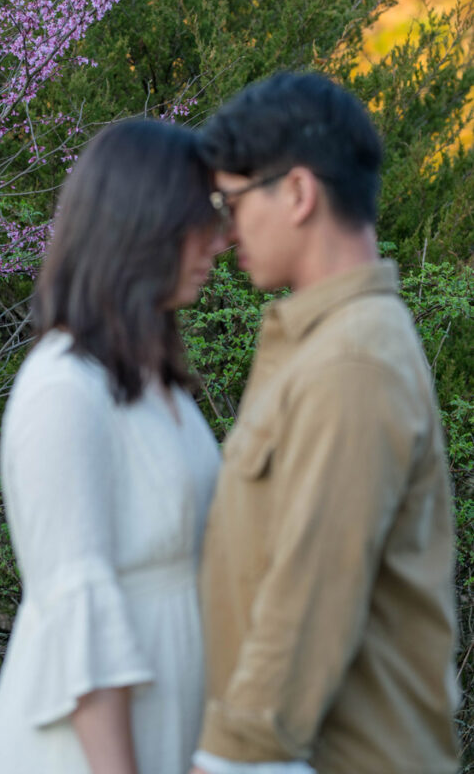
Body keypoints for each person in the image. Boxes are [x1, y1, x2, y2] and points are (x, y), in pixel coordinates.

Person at [190, 71, 460, 774]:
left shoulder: (351, 363)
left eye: (234, 200)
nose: (225, 230)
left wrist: (228, 758)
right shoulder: (326, 345)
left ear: (299, 194)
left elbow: (308, 598)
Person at [0, 118, 226, 774]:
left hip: (171, 731)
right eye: (199, 223)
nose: (218, 243)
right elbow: (75, 605)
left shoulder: (152, 380)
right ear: (141, 226)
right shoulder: (62, 388)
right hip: (84, 754)